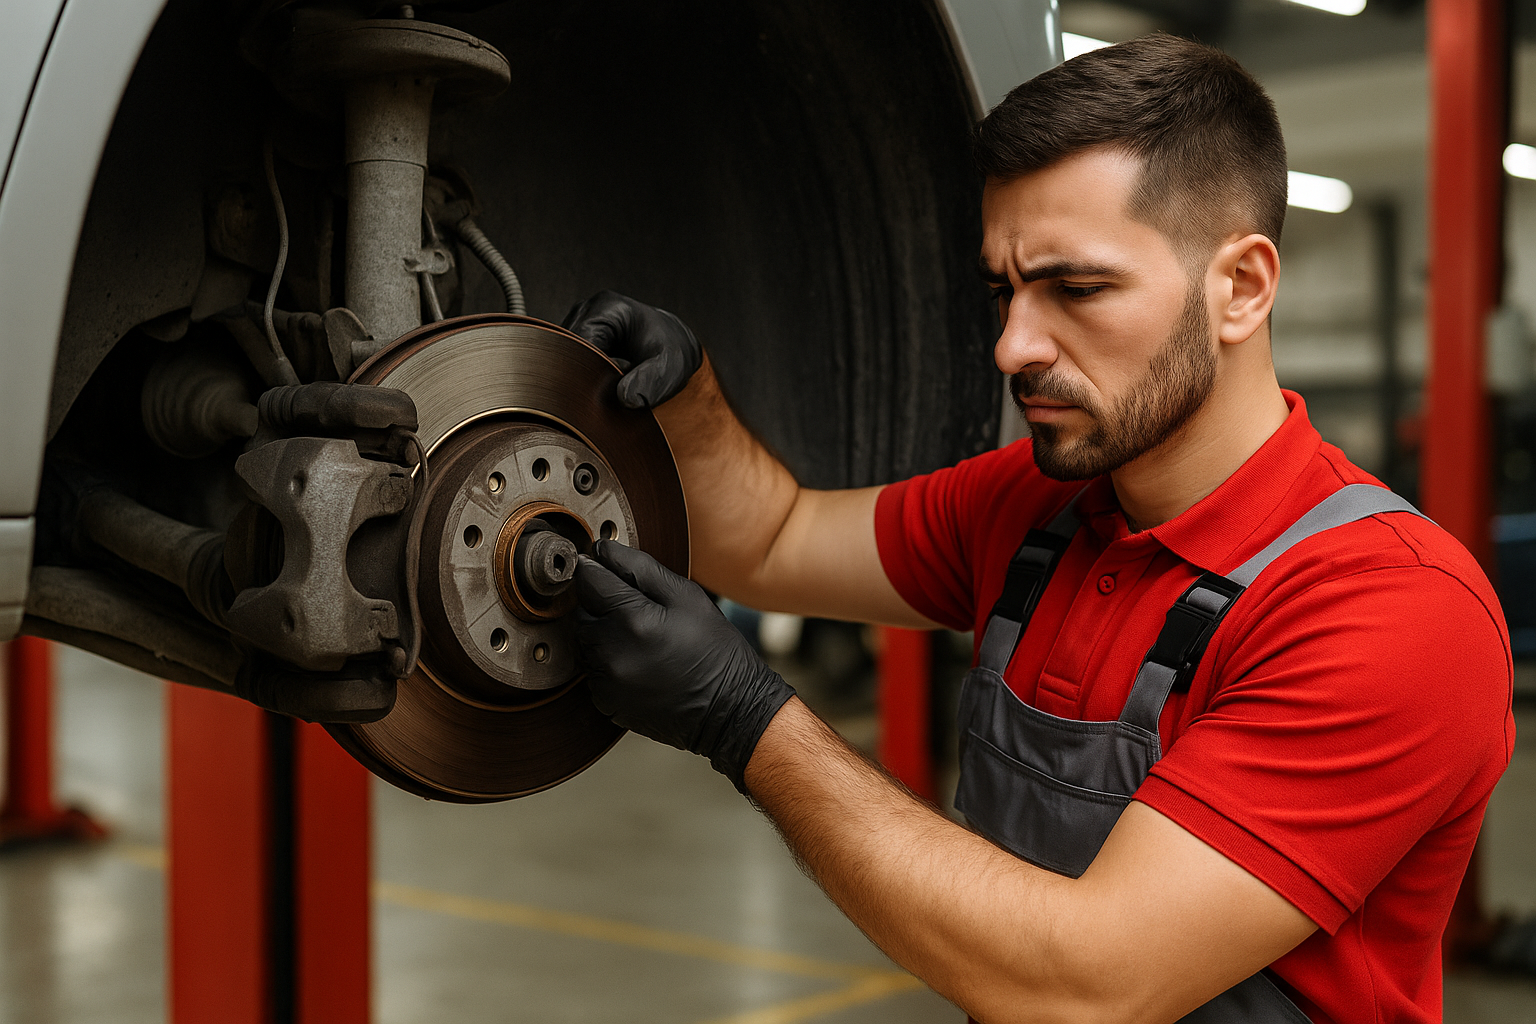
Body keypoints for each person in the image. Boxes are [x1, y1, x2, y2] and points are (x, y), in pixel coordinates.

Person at [563, 34, 1513, 1024]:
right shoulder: (1036, 505)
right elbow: (770, 540)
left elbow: (1088, 984)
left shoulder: (1391, 606)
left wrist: (743, 717)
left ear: (1241, 288)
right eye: (1003, 291)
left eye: (1077, 288)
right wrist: (688, 400)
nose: (1014, 345)